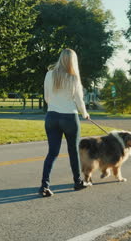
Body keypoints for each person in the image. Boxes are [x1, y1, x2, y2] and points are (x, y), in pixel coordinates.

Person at [39, 48, 90, 197]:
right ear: (73, 61)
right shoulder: (73, 77)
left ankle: (44, 186)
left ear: (60, 58)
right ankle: (77, 182)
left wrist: (56, 105)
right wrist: (85, 114)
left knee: (52, 153)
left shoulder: (49, 75)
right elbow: (79, 101)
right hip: (69, 118)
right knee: (73, 151)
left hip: (52, 117)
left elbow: (47, 97)